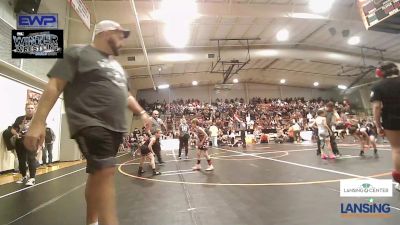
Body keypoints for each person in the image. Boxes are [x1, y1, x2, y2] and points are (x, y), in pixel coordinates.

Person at [23, 20, 151, 225]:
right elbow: (55, 84)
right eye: (120, 35)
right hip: (90, 121)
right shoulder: (77, 53)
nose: (123, 42)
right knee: (106, 172)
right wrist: (38, 122)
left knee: (97, 175)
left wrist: (143, 113)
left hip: (115, 128)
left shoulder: (118, 68)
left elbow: (126, 96)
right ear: (106, 33)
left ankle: (91, 222)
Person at [370, 61, 400, 191]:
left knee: (397, 149)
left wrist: (378, 125)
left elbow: (377, 107)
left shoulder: (377, 86)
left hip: (392, 120)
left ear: (380, 73)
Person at [11, 103, 38, 186]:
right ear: (25, 109)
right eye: (28, 108)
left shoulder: (38, 119)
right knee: (21, 160)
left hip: (31, 141)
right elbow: (12, 129)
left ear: (34, 109)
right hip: (20, 141)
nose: (30, 109)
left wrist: (40, 144)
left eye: (31, 108)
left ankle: (32, 178)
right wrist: (16, 134)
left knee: (31, 159)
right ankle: (24, 176)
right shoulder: (19, 118)